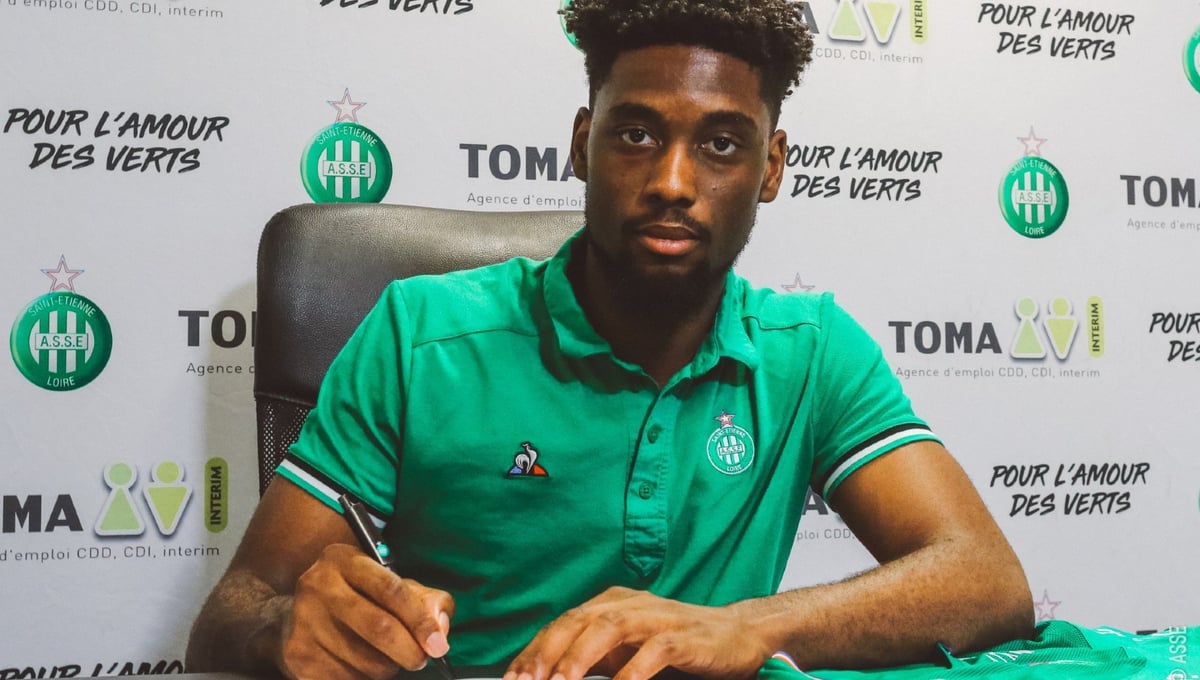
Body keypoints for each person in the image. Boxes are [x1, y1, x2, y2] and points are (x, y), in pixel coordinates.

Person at [186, 2, 1034, 679]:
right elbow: (229, 616)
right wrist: (284, 630)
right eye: (637, 134)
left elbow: (986, 581)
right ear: (581, 145)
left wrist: (744, 629)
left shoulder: (810, 352)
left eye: (720, 144)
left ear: (771, 167)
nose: (672, 181)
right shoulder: (420, 332)